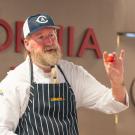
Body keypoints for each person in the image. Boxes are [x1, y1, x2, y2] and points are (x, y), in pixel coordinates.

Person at [0, 13, 128, 135]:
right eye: (41, 37)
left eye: (51, 35)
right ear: (27, 44)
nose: (49, 42)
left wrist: (117, 82)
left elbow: (112, 104)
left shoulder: (72, 73)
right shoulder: (15, 81)